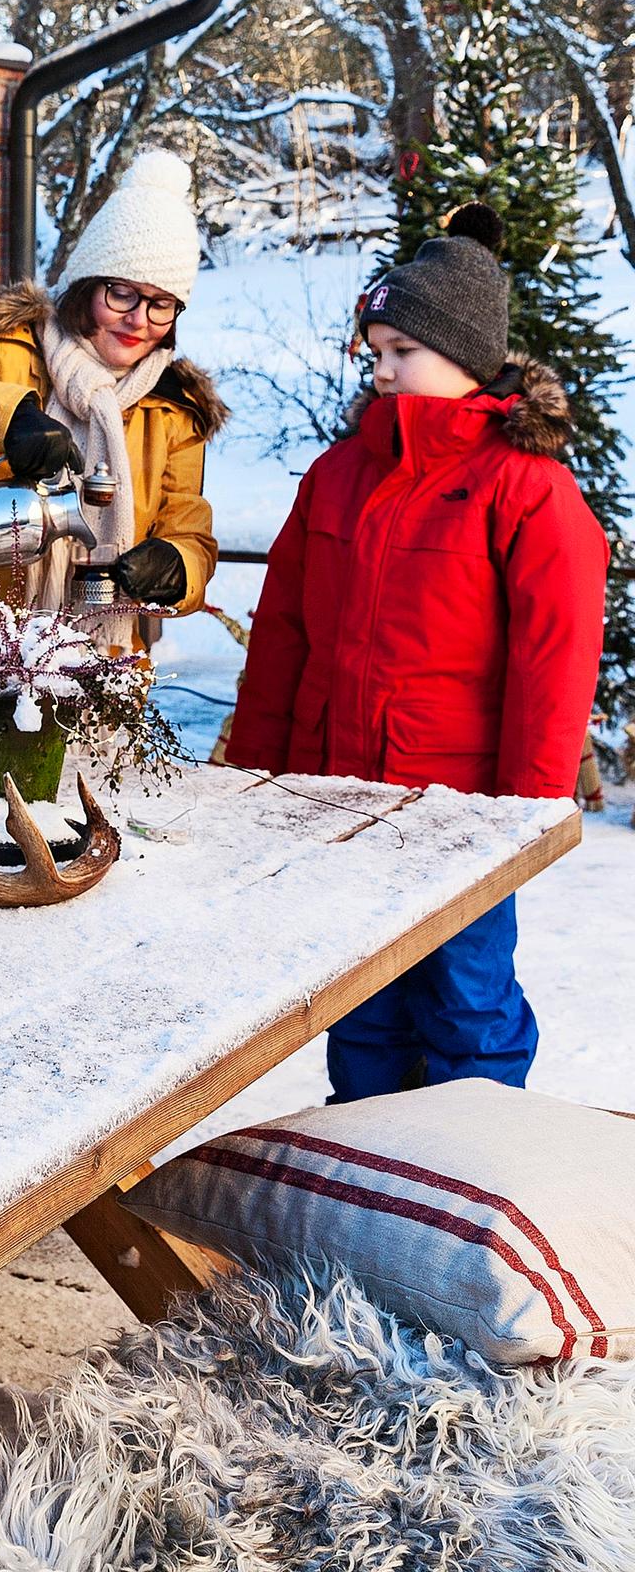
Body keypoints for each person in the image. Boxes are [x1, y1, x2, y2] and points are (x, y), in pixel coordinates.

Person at [226, 208, 609, 1100]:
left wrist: (524, 818)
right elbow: (285, 633)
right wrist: (258, 773)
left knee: (466, 1001)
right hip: (340, 798)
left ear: (466, 358)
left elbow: (553, 662)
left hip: (458, 811)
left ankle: (469, 1173)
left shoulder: (525, 489)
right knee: (362, 1000)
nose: (384, 369)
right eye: (377, 351)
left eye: (404, 350)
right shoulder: (339, 474)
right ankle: (366, 1178)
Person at [0, 147, 225, 645]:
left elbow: (191, 533)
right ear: (86, 287)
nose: (139, 319)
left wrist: (177, 566)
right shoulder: (2, 351)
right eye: (122, 294)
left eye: (161, 304)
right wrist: (8, 419)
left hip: (98, 676)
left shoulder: (173, 412)